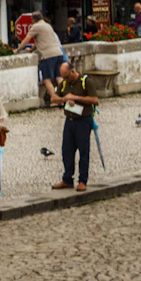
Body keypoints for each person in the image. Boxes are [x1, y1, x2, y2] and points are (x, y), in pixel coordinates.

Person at [50, 61, 99, 191]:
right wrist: (64, 99)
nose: (65, 79)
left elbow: (94, 100)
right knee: (67, 150)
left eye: (66, 76)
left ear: (73, 71)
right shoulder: (65, 83)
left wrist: (76, 98)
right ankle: (67, 179)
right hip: (69, 120)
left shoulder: (85, 81)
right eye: (63, 77)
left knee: (83, 151)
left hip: (83, 120)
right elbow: (53, 98)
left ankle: (82, 180)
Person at [17, 12, 66, 104]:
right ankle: (65, 98)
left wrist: (17, 50)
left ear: (33, 19)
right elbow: (40, 41)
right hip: (58, 53)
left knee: (47, 80)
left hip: (47, 55)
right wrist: (31, 49)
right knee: (59, 78)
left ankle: (56, 100)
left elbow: (26, 39)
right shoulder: (48, 26)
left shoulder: (36, 27)